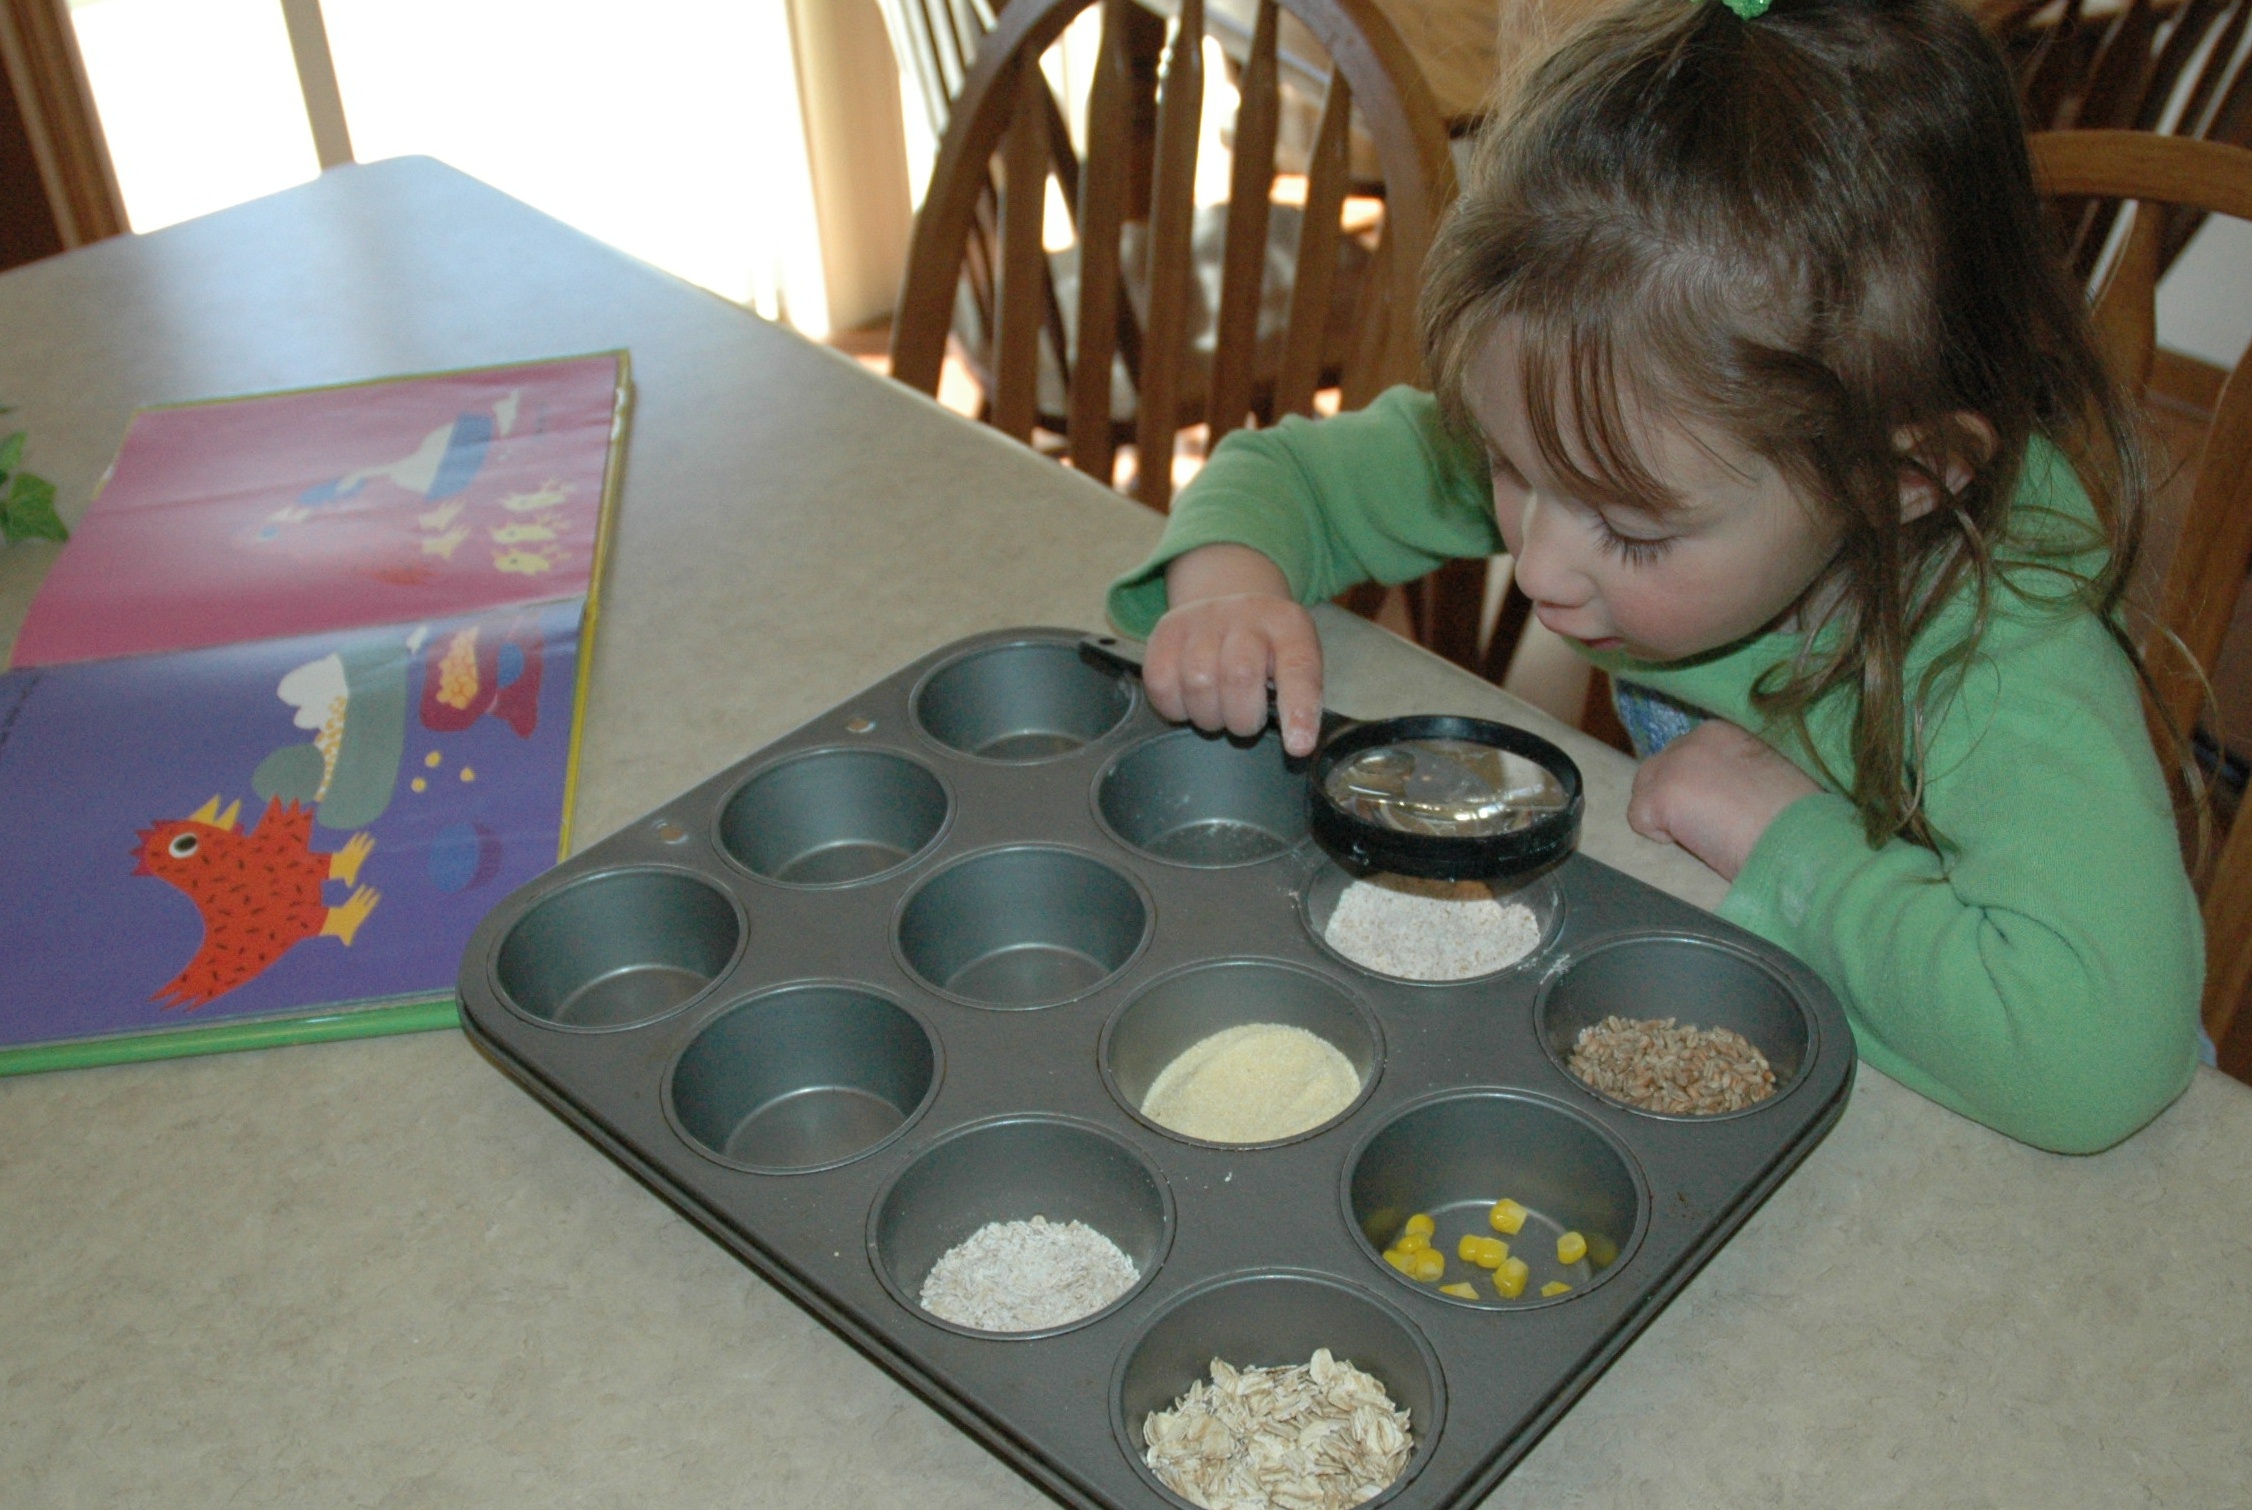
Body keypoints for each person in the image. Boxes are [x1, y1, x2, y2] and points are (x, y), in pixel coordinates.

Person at [1105, 0, 2203, 1152]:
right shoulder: (1599, 430)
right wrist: (1230, 585)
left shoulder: (1999, 653)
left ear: (1904, 478)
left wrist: (1784, 840)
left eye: (1629, 535)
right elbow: (1291, 476)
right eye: (1507, 468)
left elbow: (2097, 1056)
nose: (1537, 565)